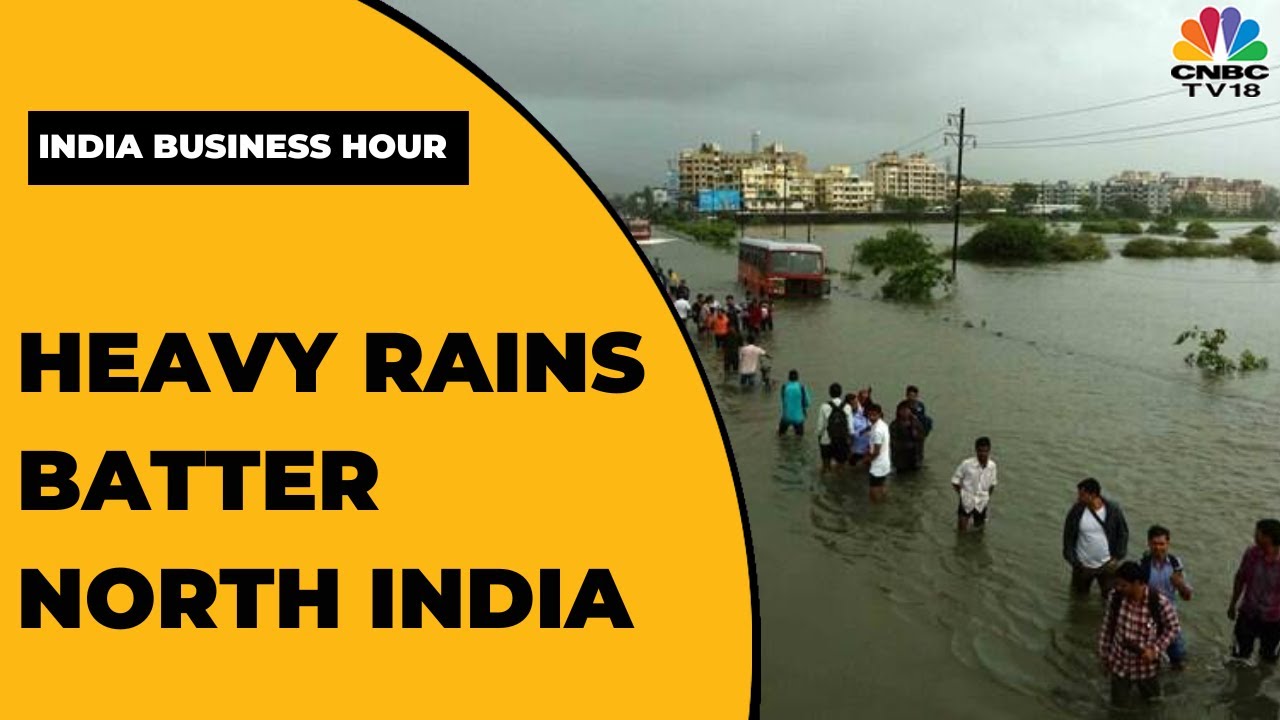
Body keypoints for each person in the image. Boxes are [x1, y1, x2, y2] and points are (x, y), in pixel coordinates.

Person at [1097, 561, 1181, 708]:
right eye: (1117, 584)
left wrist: (1155, 650)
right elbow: (1107, 627)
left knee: (1153, 704)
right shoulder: (1115, 598)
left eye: (1123, 585)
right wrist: (1104, 656)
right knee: (1118, 708)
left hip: (1146, 669)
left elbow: (1173, 628)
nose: (1118, 588)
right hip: (1120, 665)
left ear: (1137, 583)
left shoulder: (1159, 603)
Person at [1063, 478, 1129, 600]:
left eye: (1082, 495)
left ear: (1093, 495)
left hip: (1107, 565)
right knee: (1078, 599)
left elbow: (1123, 534)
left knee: (1109, 599)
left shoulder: (1113, 510)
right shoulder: (1076, 511)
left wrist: (1117, 557)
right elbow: (1068, 538)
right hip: (1082, 566)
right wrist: (1073, 561)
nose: (1078, 498)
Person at [1140, 525, 1192, 669]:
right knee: (1148, 661)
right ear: (1148, 543)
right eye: (1154, 544)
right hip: (1148, 619)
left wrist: (1180, 584)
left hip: (1170, 619)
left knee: (1179, 659)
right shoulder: (1142, 566)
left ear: (1168, 543)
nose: (1158, 548)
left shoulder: (1176, 565)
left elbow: (1187, 597)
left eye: (1162, 544)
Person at [1228, 518, 1280, 664]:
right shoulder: (1252, 553)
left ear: (1268, 537)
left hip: (1274, 619)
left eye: (1258, 533)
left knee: (1268, 660)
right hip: (1248, 613)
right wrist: (1232, 604)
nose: (1254, 535)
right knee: (1238, 657)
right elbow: (1240, 578)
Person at [951, 437, 997, 532]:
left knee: (979, 530)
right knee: (961, 531)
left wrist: (987, 496)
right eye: (980, 451)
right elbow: (955, 481)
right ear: (976, 450)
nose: (983, 454)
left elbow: (993, 484)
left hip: (982, 502)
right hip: (966, 500)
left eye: (985, 451)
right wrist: (962, 494)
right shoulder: (966, 464)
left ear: (989, 451)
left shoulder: (992, 466)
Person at [855, 402, 891, 502]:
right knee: (881, 487)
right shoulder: (883, 424)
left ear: (879, 414)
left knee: (873, 492)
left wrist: (864, 460)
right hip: (885, 463)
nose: (871, 417)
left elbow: (876, 452)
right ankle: (884, 503)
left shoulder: (877, 431)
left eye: (874, 415)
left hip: (877, 466)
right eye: (870, 415)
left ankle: (876, 508)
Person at [816, 383, 853, 471]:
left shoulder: (824, 406)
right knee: (841, 467)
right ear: (841, 393)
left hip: (826, 440)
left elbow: (820, 427)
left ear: (830, 393)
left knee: (826, 467)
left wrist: (819, 438)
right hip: (842, 440)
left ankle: (825, 479)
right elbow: (851, 429)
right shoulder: (847, 406)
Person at [889, 399, 925, 472]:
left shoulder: (916, 423)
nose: (905, 412)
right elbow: (893, 442)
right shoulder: (894, 425)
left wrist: (915, 433)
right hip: (901, 459)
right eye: (902, 410)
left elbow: (922, 438)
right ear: (898, 412)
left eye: (907, 410)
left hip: (915, 458)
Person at [777, 370, 810, 436]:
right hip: (798, 417)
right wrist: (803, 409)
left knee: (781, 435)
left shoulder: (784, 387)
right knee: (799, 438)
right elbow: (807, 403)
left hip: (786, 416)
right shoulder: (801, 387)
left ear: (788, 377)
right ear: (797, 377)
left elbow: (783, 400)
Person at [846, 392, 870, 466]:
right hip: (855, 450)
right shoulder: (848, 417)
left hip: (867, 449)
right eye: (853, 404)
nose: (855, 405)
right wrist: (864, 430)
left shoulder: (862, 412)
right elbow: (850, 434)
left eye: (856, 403)